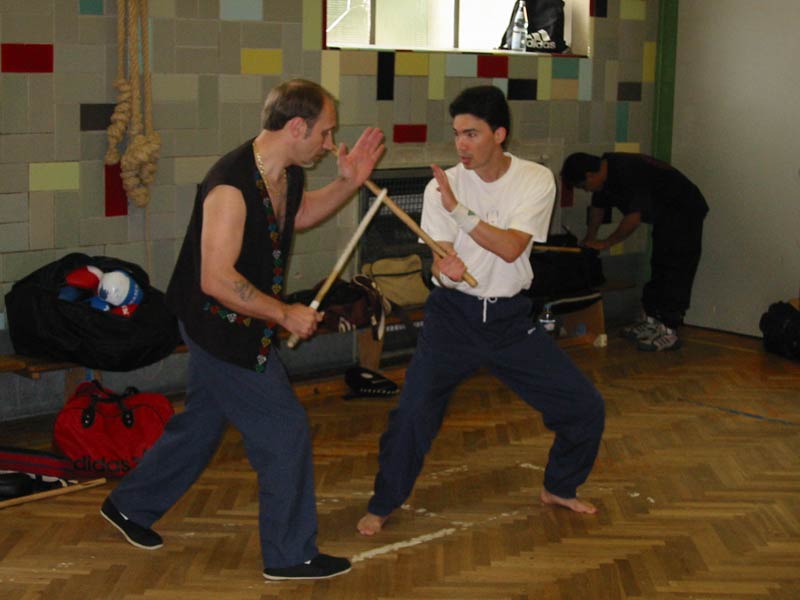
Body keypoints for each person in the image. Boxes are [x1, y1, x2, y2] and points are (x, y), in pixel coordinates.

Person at [100, 79, 385, 581]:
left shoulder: (286, 174)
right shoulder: (230, 185)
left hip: (240, 319)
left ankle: (129, 505)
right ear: (295, 127)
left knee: (203, 423)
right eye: (324, 132)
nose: (328, 144)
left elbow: (298, 216)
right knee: (284, 429)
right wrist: (284, 313)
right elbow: (215, 279)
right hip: (218, 324)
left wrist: (349, 183)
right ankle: (289, 554)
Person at [357, 85, 605, 536]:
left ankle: (559, 486)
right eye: (457, 134)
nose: (461, 144)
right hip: (452, 318)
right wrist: (446, 270)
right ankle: (383, 503)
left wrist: (460, 211)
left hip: (509, 320)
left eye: (471, 134)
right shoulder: (440, 186)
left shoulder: (534, 179)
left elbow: (511, 248)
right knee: (411, 416)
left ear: (499, 134)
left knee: (584, 407)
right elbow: (441, 261)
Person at [561, 152, 709, 351]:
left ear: (590, 175)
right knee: (659, 264)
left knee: (676, 267)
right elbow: (598, 207)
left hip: (685, 210)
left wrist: (606, 243)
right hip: (665, 216)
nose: (586, 190)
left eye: (583, 186)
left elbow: (633, 219)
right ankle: (652, 321)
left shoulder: (627, 172)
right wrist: (590, 238)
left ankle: (669, 329)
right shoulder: (604, 173)